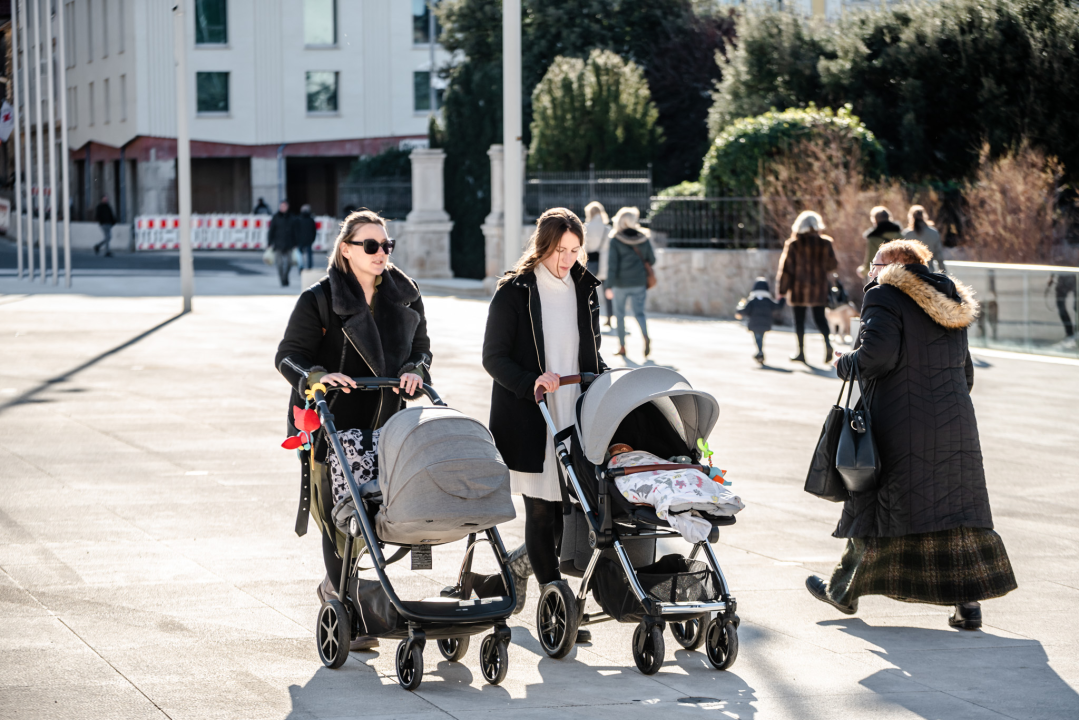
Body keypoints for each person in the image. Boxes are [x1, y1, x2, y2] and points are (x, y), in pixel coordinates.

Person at [806, 239, 1016, 630]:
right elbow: (964, 370)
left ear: (895, 266)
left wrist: (844, 363)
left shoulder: (885, 294)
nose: (871, 270)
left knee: (876, 502)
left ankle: (843, 591)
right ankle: (967, 605)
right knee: (956, 513)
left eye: (876, 263)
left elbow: (877, 355)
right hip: (955, 422)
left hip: (900, 421)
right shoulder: (947, 298)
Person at [275, 209, 432, 651]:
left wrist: (416, 372)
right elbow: (288, 356)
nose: (381, 253)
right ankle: (342, 601)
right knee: (339, 517)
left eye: (387, 246)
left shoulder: (405, 294)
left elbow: (422, 350)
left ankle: (353, 590)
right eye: (371, 246)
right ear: (347, 249)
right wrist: (318, 376)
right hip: (331, 420)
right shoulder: (320, 299)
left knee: (387, 511)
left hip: (386, 421)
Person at [482, 207, 606, 640]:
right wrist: (530, 381)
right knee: (542, 511)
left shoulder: (584, 288)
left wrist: (606, 381)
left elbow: (589, 352)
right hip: (531, 411)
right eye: (560, 250)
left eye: (575, 250)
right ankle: (557, 601)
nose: (568, 259)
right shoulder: (514, 291)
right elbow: (494, 358)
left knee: (568, 511)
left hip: (576, 407)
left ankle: (517, 576)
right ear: (543, 245)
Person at [776, 210, 838, 364]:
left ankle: (801, 352)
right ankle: (828, 345)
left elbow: (787, 269)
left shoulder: (794, 244)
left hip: (799, 288)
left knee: (799, 320)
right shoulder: (825, 243)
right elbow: (832, 266)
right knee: (820, 318)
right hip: (819, 287)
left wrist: (782, 290)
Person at [606, 206, 656, 357]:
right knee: (639, 313)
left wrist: (608, 286)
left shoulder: (615, 239)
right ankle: (645, 336)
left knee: (620, 315)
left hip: (620, 284)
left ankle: (622, 347)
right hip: (639, 282)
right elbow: (652, 260)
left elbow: (612, 265)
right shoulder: (643, 238)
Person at [735, 277, 786, 365]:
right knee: (761, 338)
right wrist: (782, 298)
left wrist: (738, 308)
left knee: (757, 338)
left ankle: (760, 352)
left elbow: (745, 311)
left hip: (754, 324)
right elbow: (778, 306)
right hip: (765, 323)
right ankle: (760, 352)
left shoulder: (752, 300)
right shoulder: (768, 300)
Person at [583, 201, 613, 329]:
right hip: (605, 264)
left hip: (590, 263)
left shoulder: (586, 227)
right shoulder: (608, 229)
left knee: (588, 291)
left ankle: (587, 316)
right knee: (608, 292)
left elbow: (584, 246)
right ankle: (610, 318)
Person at [859, 206, 903, 278]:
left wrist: (862, 271)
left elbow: (870, 261)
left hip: (881, 275)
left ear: (874, 220)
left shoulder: (873, 238)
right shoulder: (899, 234)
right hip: (898, 273)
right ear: (889, 218)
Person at [902, 205, 947, 273]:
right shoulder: (933, 233)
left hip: (910, 273)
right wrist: (943, 272)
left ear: (910, 216)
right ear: (924, 216)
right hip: (929, 271)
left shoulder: (906, 234)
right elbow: (939, 255)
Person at [268, 200, 297, 286]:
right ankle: (282, 280)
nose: (282, 208)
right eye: (281, 206)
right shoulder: (276, 217)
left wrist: (295, 243)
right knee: (280, 264)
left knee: (289, 263)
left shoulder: (291, 217)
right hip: (278, 244)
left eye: (284, 206)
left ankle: (285, 276)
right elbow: (271, 230)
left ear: (287, 207)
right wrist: (270, 242)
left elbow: (295, 231)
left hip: (289, 244)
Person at [297, 204, 318, 270]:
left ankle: (301, 267)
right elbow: (314, 231)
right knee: (307, 255)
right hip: (308, 239)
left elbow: (296, 230)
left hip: (302, 240)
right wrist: (312, 239)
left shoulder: (299, 219)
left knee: (300, 254)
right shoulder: (311, 219)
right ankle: (309, 267)